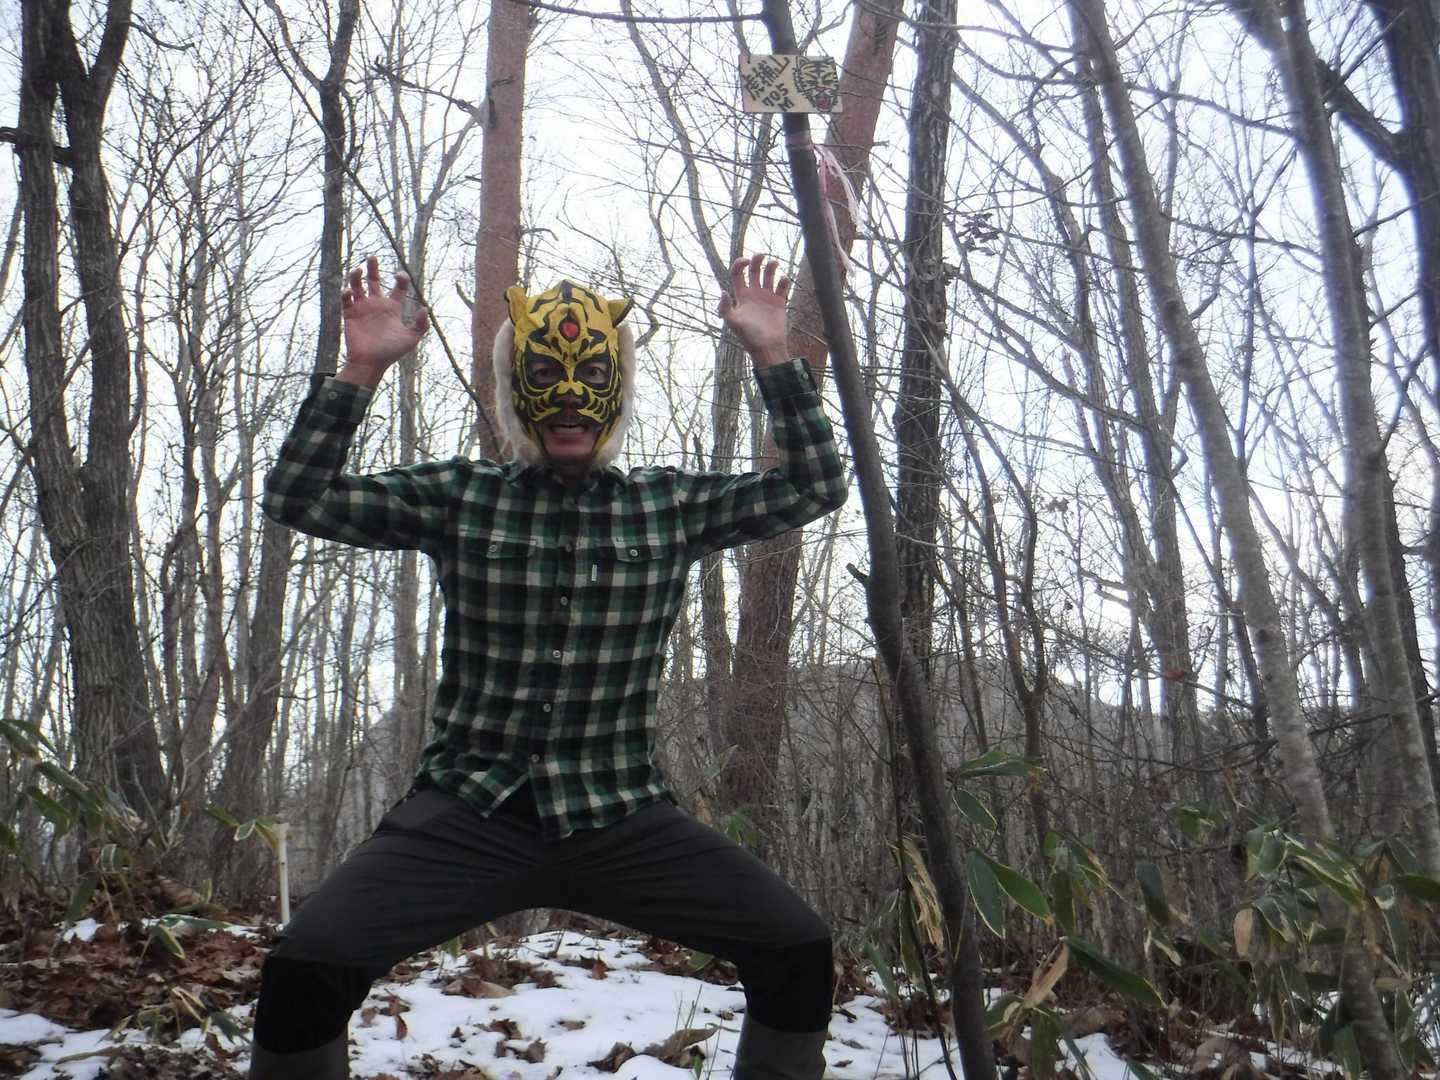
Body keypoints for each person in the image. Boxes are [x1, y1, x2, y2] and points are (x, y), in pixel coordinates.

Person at [249, 251, 848, 1079]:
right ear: (516, 392)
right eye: (544, 377)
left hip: (619, 813)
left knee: (797, 948)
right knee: (305, 968)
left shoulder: (667, 506)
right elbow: (298, 498)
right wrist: (361, 369)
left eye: (592, 376)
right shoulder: (463, 495)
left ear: (616, 390)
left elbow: (813, 487)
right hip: (470, 809)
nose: (569, 397)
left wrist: (772, 353)